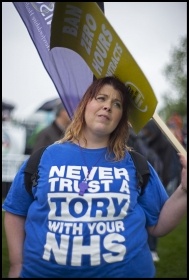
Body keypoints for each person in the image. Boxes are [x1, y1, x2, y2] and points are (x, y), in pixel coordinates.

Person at [2, 76, 187, 278]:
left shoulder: (137, 164)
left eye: (117, 104)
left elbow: (158, 225)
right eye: (101, 98)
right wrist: (16, 264)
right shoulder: (44, 157)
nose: (107, 106)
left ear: (121, 118)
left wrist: (184, 190)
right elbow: (15, 210)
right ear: (84, 105)